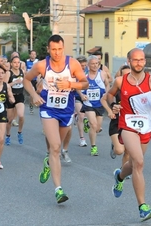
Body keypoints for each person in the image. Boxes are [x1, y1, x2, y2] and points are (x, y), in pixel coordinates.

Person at [106, 48, 151, 221]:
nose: (139, 63)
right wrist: (114, 105)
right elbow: (109, 95)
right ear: (129, 61)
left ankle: (119, 175)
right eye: (135, 60)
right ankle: (142, 206)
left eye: (142, 60)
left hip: (146, 127)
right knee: (139, 162)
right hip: (127, 126)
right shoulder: (120, 81)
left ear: (145, 61)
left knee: (133, 164)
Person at [23, 34, 89, 204]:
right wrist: (33, 95)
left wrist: (71, 85)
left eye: (59, 49)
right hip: (48, 109)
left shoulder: (72, 64)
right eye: (53, 49)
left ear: (63, 48)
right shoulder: (42, 65)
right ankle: (58, 189)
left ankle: (48, 162)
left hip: (66, 110)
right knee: (55, 147)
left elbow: (85, 83)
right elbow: (26, 80)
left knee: (55, 149)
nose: (57, 53)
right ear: (48, 49)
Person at [101, 64, 130, 166]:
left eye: (129, 75)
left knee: (128, 151)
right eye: (124, 75)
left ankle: (123, 171)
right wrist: (109, 111)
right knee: (119, 151)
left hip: (130, 123)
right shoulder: (117, 87)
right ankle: (114, 145)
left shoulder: (137, 89)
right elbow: (103, 99)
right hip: (117, 121)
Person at [80, 55, 110, 156]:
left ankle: (87, 124)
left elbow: (107, 84)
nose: (95, 65)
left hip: (100, 103)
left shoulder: (102, 74)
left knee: (97, 128)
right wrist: (81, 94)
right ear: (88, 65)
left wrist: (107, 93)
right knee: (94, 124)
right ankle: (93, 146)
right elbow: (77, 86)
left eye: (96, 63)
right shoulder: (84, 75)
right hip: (88, 103)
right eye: (92, 63)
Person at [5, 56, 26, 145]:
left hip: (19, 96)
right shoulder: (9, 73)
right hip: (10, 97)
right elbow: (4, 85)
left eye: (18, 62)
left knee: (21, 115)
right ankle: (8, 135)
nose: (17, 64)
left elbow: (26, 82)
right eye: (15, 62)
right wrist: (15, 82)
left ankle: (20, 132)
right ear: (11, 64)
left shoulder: (22, 72)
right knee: (9, 120)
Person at [74, 56, 88, 147]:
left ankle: (77, 117)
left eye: (84, 65)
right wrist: (81, 95)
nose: (83, 67)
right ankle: (82, 138)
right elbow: (76, 86)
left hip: (88, 97)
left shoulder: (88, 72)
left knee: (86, 118)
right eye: (81, 65)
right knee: (81, 115)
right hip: (77, 96)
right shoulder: (74, 73)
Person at [26, 50, 39, 115]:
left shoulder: (38, 62)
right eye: (32, 54)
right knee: (32, 93)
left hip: (36, 80)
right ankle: (31, 106)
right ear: (30, 55)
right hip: (30, 80)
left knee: (37, 92)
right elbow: (25, 71)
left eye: (34, 54)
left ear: (36, 55)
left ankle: (35, 103)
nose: (33, 55)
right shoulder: (27, 62)